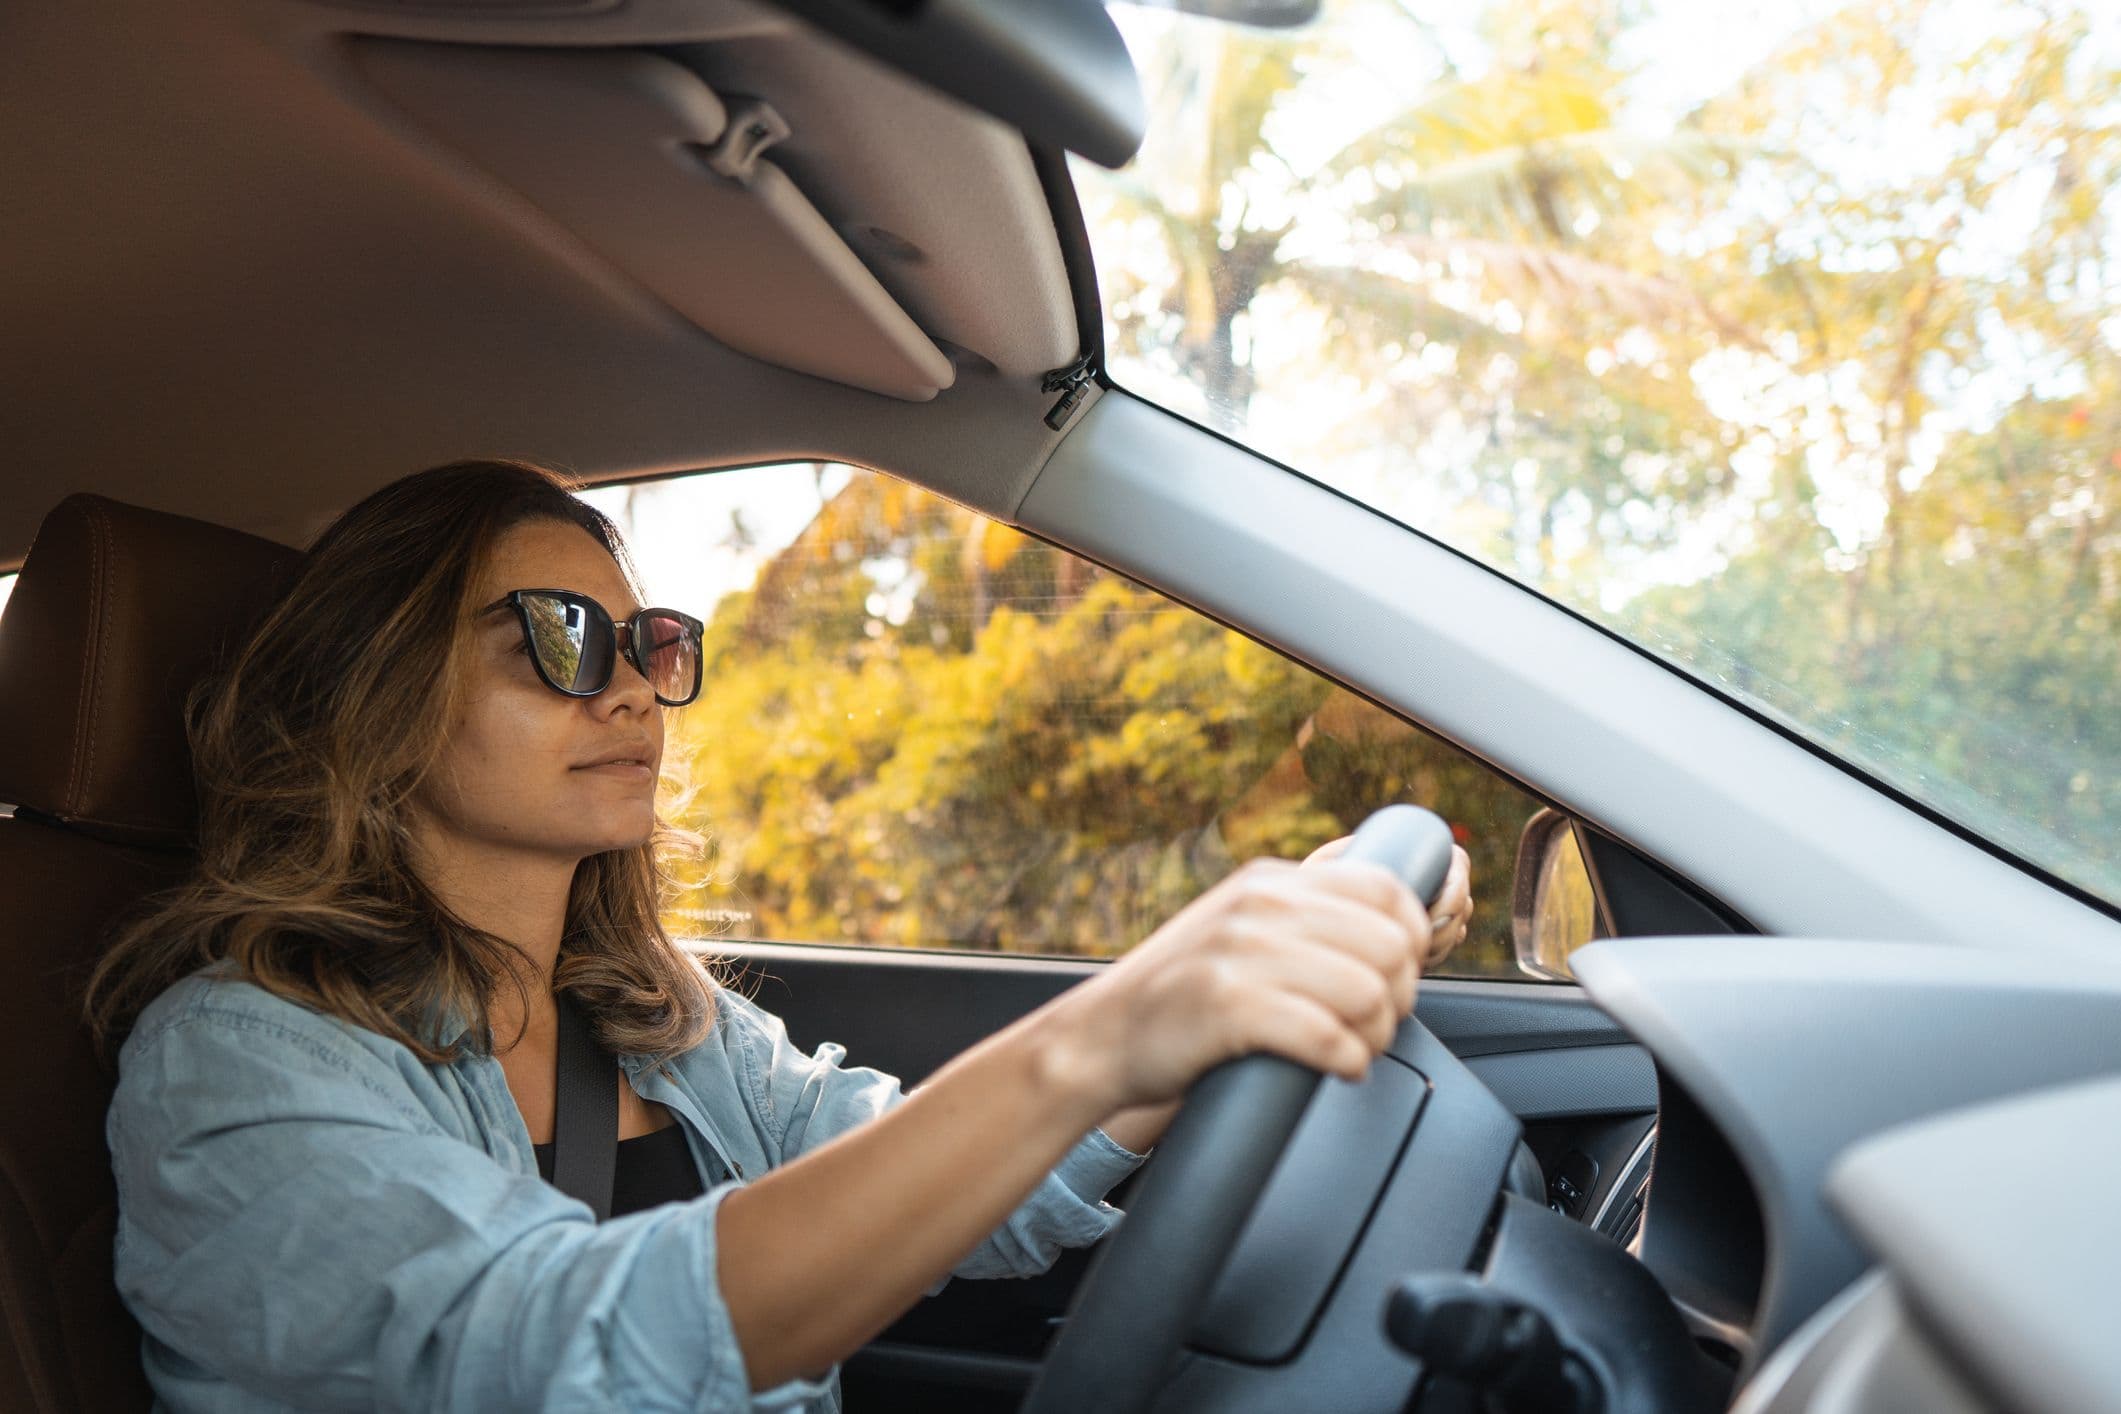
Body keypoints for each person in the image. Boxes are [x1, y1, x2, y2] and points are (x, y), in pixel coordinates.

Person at [86, 460, 1473, 1413]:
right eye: (564, 638)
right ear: (372, 690)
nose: (631, 690)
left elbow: (924, 1179)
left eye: (649, 643)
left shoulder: (652, 1016)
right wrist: (1098, 1033)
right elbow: (551, 1348)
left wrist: (1216, 1012)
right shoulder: (232, 1058)